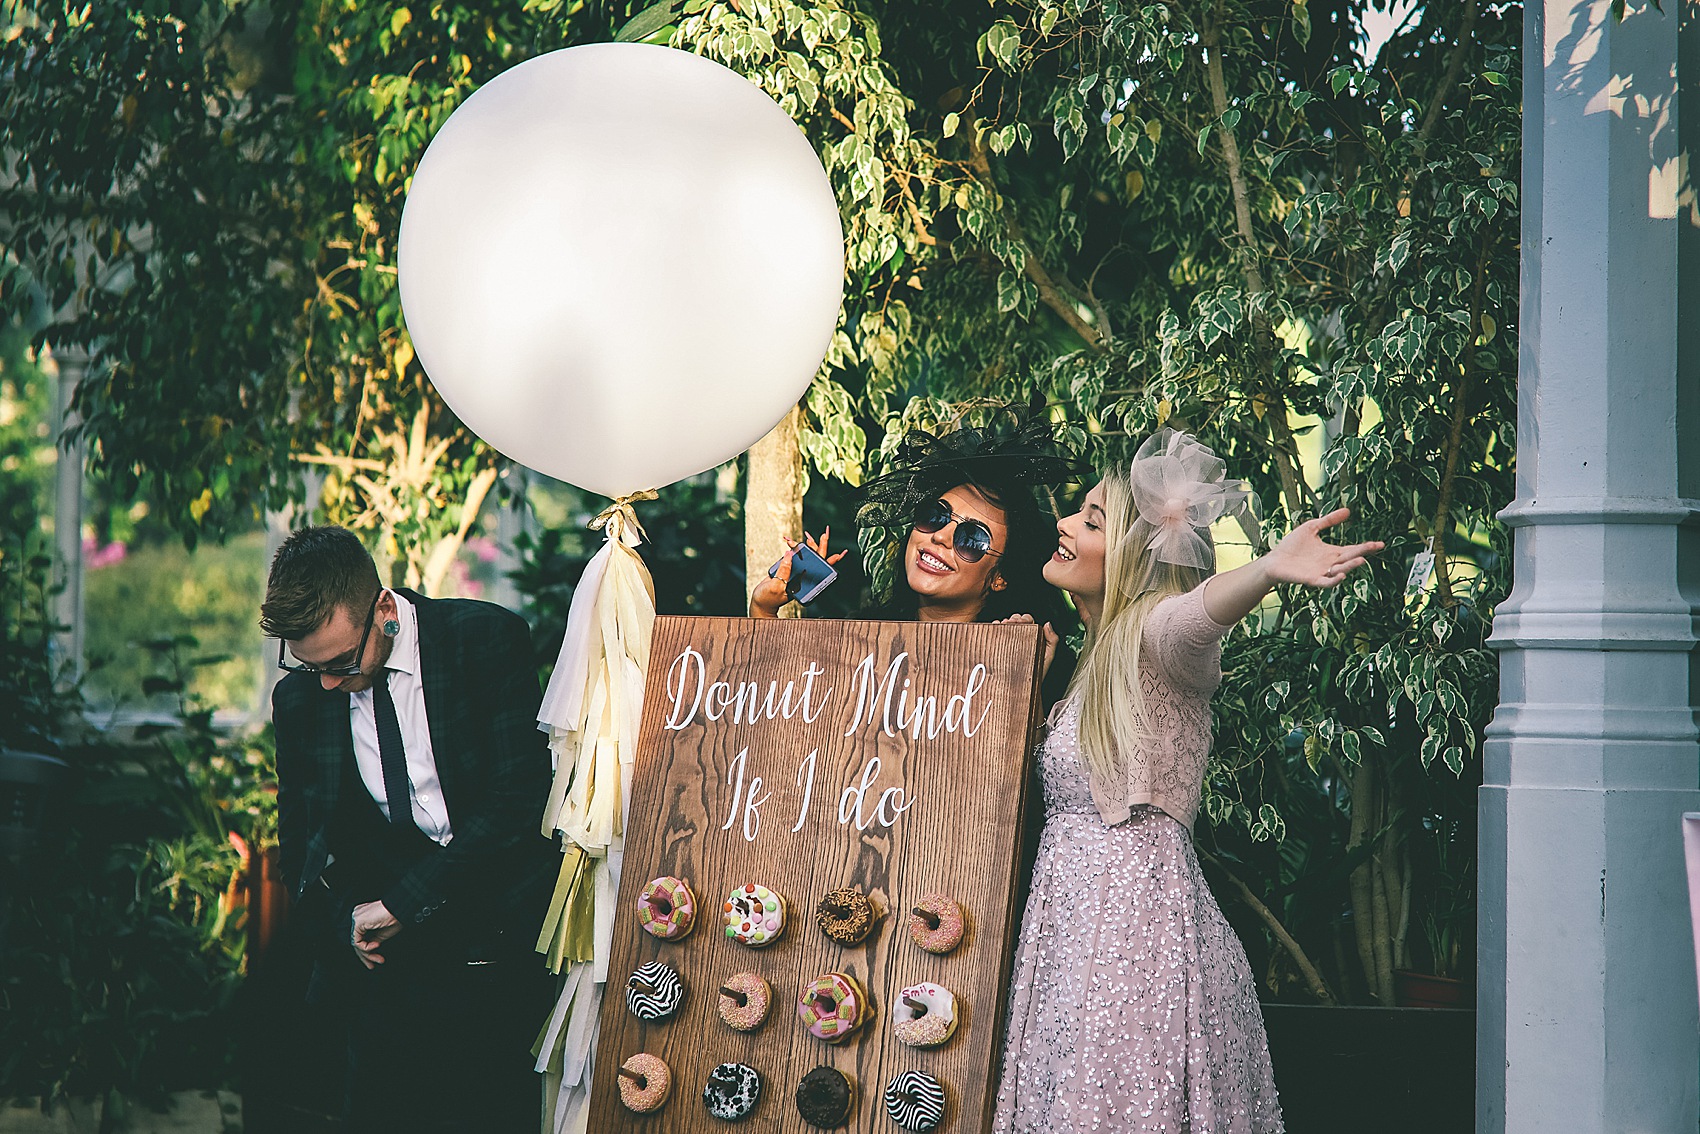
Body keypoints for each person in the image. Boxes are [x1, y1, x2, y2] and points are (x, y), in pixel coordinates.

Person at [993, 429, 1382, 1134]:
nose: (1065, 525)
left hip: (1130, 940)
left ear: (1135, 555)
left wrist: (1266, 569)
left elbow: (1197, 616)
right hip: (1072, 933)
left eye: (1091, 520)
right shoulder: (1092, 656)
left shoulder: (1155, 635)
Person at [261, 525, 555, 1133]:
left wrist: (405, 900)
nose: (327, 683)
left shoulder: (484, 640)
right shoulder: (300, 699)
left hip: (499, 949)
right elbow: (301, 841)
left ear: (386, 611)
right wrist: (343, 920)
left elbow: (518, 801)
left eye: (342, 662)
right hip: (390, 976)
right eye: (308, 664)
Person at [750, 405, 1082, 706]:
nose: (939, 535)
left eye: (971, 538)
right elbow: (778, 706)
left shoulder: (1022, 658)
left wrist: (1021, 682)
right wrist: (764, 608)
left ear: (1000, 577)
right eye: (934, 516)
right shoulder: (861, 637)